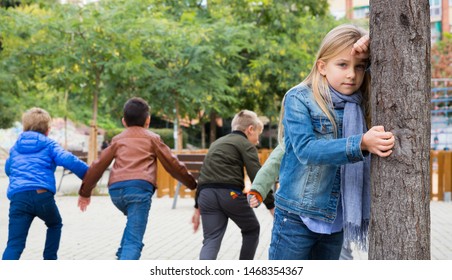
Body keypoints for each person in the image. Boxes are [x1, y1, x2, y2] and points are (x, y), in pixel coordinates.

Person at [250, 24, 395, 260]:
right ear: (322, 66)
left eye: (360, 67)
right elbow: (306, 150)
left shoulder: (361, 101)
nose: (352, 74)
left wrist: (372, 38)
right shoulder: (300, 97)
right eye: (342, 64)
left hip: (336, 220)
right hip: (296, 217)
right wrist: (360, 144)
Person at [77, 97, 197, 260]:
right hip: (138, 191)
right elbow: (172, 163)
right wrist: (192, 184)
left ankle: (122, 256)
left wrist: (85, 192)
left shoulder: (117, 139)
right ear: (148, 120)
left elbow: (98, 165)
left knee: (132, 229)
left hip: (116, 192)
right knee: (134, 241)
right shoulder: (152, 138)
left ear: (123, 121)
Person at [2, 107, 89, 260]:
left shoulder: (15, 147)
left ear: (25, 127)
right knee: (54, 224)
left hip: (18, 198)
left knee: (14, 244)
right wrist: (88, 175)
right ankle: (49, 261)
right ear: (48, 130)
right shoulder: (49, 144)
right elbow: (68, 160)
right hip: (42, 196)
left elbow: (9, 169)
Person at [191, 109, 274, 260]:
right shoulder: (245, 144)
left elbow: (204, 176)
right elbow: (258, 176)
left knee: (211, 239)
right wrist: (271, 205)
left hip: (206, 196)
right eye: (258, 135)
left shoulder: (217, 143)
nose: (258, 140)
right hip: (229, 194)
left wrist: (197, 207)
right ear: (250, 129)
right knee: (252, 229)